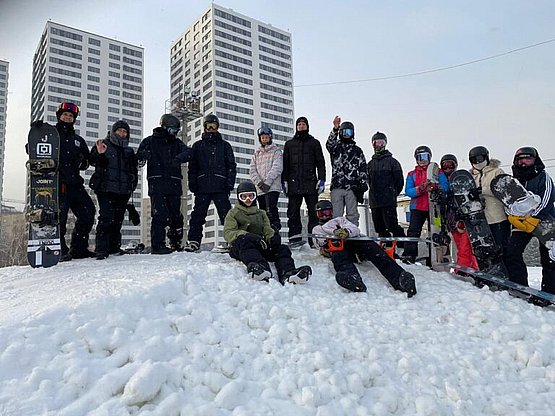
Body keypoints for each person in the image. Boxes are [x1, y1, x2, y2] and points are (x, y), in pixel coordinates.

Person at [30, 102, 96, 261]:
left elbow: (88, 162)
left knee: (88, 212)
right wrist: (37, 131)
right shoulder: (50, 135)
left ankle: (79, 248)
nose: (68, 117)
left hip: (75, 183)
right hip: (56, 184)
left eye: (71, 116)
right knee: (59, 218)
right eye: (65, 114)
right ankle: (59, 250)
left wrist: (91, 157)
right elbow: (32, 149)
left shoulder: (78, 140)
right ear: (59, 116)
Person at [312, 200, 416, 296]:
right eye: (322, 214)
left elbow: (354, 229)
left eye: (328, 213)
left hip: (353, 242)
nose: (325, 216)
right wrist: (330, 237)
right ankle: (352, 278)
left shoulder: (339, 220)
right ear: (317, 215)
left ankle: (399, 278)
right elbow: (318, 243)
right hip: (338, 248)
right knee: (339, 256)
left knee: (372, 248)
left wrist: (347, 232)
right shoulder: (317, 229)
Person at [224, 181, 312, 284]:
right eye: (244, 197)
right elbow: (228, 232)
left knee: (282, 248)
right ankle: (260, 268)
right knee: (244, 241)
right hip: (240, 247)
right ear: (239, 198)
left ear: (255, 196)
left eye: (251, 196)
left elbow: (267, 229)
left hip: (260, 245)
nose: (248, 199)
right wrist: (247, 235)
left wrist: (272, 237)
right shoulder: (233, 213)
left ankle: (287, 272)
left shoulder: (261, 213)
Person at [503, 147, 555, 304]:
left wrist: (534, 216)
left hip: (545, 222)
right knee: (512, 252)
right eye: (520, 159)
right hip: (522, 223)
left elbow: (548, 198)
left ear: (535, 160)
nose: (523, 162)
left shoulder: (542, 177)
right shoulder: (515, 180)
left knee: (549, 259)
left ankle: (549, 293)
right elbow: (508, 201)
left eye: (527, 159)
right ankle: (519, 287)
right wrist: (512, 216)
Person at [137, 114, 192, 254]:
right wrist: (143, 156)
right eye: (173, 130)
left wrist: (178, 159)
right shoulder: (150, 141)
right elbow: (138, 159)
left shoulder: (177, 143)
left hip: (174, 182)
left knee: (176, 215)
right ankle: (158, 245)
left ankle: (175, 242)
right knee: (160, 214)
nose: (175, 134)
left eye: (177, 131)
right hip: (157, 183)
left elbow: (189, 152)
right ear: (166, 128)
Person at [185, 114, 237, 252]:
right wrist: (193, 184)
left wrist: (229, 183)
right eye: (209, 126)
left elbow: (231, 166)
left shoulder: (224, 146)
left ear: (218, 128)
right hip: (203, 186)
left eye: (214, 126)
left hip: (220, 186)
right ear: (204, 127)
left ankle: (232, 240)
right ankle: (194, 241)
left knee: (227, 216)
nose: (211, 129)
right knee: (198, 216)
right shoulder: (198, 146)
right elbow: (193, 167)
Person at [89, 120, 138, 260]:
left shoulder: (129, 151)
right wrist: (100, 154)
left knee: (118, 219)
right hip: (106, 189)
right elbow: (94, 162)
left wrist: (132, 185)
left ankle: (114, 247)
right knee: (106, 218)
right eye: (119, 131)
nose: (122, 134)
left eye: (125, 132)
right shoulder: (103, 144)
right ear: (113, 131)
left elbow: (133, 171)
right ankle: (101, 249)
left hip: (123, 191)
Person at [281, 116, 326, 247]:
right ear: (296, 126)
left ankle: (314, 241)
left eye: (303, 124)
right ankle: (295, 239)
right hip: (294, 184)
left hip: (310, 183)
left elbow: (320, 163)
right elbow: (286, 164)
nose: (301, 126)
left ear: (307, 126)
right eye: (299, 124)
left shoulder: (314, 143)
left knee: (313, 214)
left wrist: (322, 179)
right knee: (293, 214)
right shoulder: (289, 144)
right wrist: (284, 181)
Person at [401, 145, 449, 263]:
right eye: (419, 157)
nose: (422, 160)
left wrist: (436, 187)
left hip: (434, 207)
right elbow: (409, 191)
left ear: (429, 157)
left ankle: (437, 256)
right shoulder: (412, 174)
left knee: (435, 231)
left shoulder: (437, 171)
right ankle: (409, 255)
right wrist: (421, 188)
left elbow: (446, 187)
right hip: (417, 207)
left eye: (425, 156)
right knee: (413, 231)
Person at [326, 116, 368, 226]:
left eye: (349, 132)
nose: (346, 134)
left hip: (352, 187)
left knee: (352, 214)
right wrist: (335, 128)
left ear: (353, 133)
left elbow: (363, 167)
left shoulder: (357, 150)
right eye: (344, 131)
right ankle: (337, 235)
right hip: (337, 185)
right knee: (336, 214)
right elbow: (329, 144)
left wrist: (363, 183)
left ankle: (352, 233)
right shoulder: (336, 147)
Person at [439, 154, 478, 269]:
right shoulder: (441, 181)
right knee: (460, 246)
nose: (448, 168)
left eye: (450, 165)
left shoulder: (460, 179)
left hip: (463, 218)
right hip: (451, 220)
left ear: (455, 165)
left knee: (465, 247)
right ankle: (471, 269)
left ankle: (464, 268)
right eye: (445, 165)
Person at [468, 146, 510, 250]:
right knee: (487, 249)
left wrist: (482, 190)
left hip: (498, 217)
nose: (477, 162)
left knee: (501, 247)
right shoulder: (472, 176)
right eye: (474, 160)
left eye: (480, 159)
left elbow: (503, 190)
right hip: (481, 219)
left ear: (486, 157)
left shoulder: (497, 171)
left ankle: (506, 265)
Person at [367, 131, 405, 239]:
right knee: (379, 228)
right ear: (373, 144)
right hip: (375, 201)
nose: (379, 146)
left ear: (385, 144)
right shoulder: (370, 164)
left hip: (388, 201)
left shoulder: (393, 162)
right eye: (376, 143)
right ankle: (386, 248)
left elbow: (399, 181)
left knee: (392, 225)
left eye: (381, 143)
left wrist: (392, 193)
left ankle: (403, 245)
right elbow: (368, 181)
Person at [249, 126, 283, 231]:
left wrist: (267, 182)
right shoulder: (257, 154)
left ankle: (274, 228)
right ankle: (264, 230)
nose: (264, 139)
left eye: (266, 137)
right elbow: (252, 170)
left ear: (270, 138)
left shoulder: (276, 151)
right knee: (262, 211)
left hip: (272, 187)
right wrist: (259, 183)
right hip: (260, 189)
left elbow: (277, 168)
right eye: (262, 137)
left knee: (271, 209)